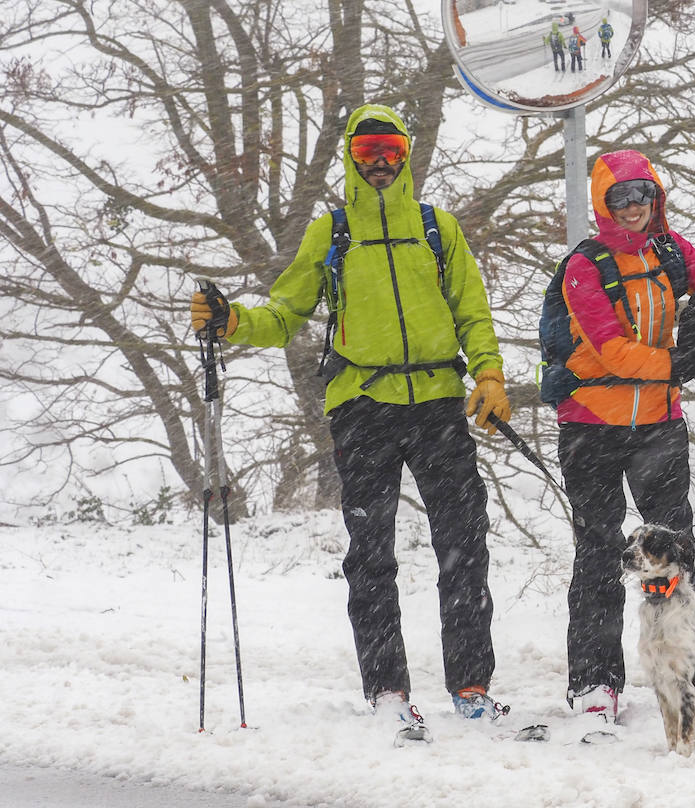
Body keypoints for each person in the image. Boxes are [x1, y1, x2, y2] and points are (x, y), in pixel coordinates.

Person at [189, 103, 513, 738]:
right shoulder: (332, 232)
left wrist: (491, 374)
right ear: (351, 159)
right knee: (372, 553)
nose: (382, 162)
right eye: (367, 153)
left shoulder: (437, 229)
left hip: (438, 403)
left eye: (391, 148)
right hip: (361, 406)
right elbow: (284, 313)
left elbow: (472, 311)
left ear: (407, 153)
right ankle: (388, 691)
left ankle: (472, 688)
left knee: (464, 545)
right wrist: (231, 324)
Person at [554, 148, 695, 722]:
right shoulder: (584, 265)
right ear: (602, 204)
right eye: (620, 197)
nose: (634, 207)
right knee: (598, 551)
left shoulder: (669, 250)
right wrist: (680, 362)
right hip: (591, 424)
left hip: (658, 423)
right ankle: (595, 683)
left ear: (655, 198)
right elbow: (609, 348)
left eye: (643, 195)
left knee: (678, 549)